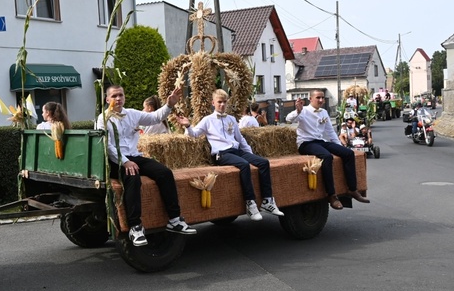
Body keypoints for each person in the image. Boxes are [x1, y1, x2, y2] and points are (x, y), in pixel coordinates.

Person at [96, 84, 196, 247]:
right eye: (114, 96)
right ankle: (135, 227)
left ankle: (175, 220)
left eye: (121, 95)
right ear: (107, 99)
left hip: (134, 156)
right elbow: (107, 146)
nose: (118, 99)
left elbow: (155, 117)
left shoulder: (132, 114)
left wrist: (169, 105)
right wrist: (125, 161)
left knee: (164, 173)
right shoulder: (103, 118)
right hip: (115, 160)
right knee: (132, 178)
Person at [177, 89, 283, 221]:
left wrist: (250, 155)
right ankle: (250, 202)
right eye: (219, 102)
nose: (222, 105)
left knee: (263, 162)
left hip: (236, 151)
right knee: (244, 165)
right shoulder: (207, 120)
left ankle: (268, 200)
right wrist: (187, 126)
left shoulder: (231, 119)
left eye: (224, 102)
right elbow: (193, 134)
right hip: (221, 153)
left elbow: (240, 139)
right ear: (213, 103)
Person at [285, 89, 370, 210]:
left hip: (320, 141)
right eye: (318, 98)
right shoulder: (303, 111)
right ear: (311, 99)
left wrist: (339, 147)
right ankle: (331, 195)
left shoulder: (324, 112)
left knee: (348, 153)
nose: (320, 100)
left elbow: (330, 131)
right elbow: (288, 119)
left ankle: (352, 189)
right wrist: (298, 110)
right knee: (326, 156)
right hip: (306, 143)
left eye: (322, 98)